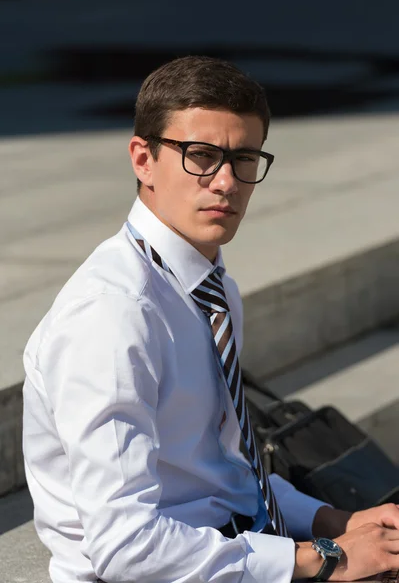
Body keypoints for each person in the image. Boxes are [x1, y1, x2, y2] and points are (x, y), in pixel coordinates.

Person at [23, 55, 399, 583]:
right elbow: (126, 546)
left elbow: (224, 474)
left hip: (230, 548)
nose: (226, 182)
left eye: (244, 159)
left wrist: (337, 520)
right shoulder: (112, 316)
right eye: (200, 156)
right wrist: (328, 558)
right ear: (143, 159)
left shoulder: (207, 286)